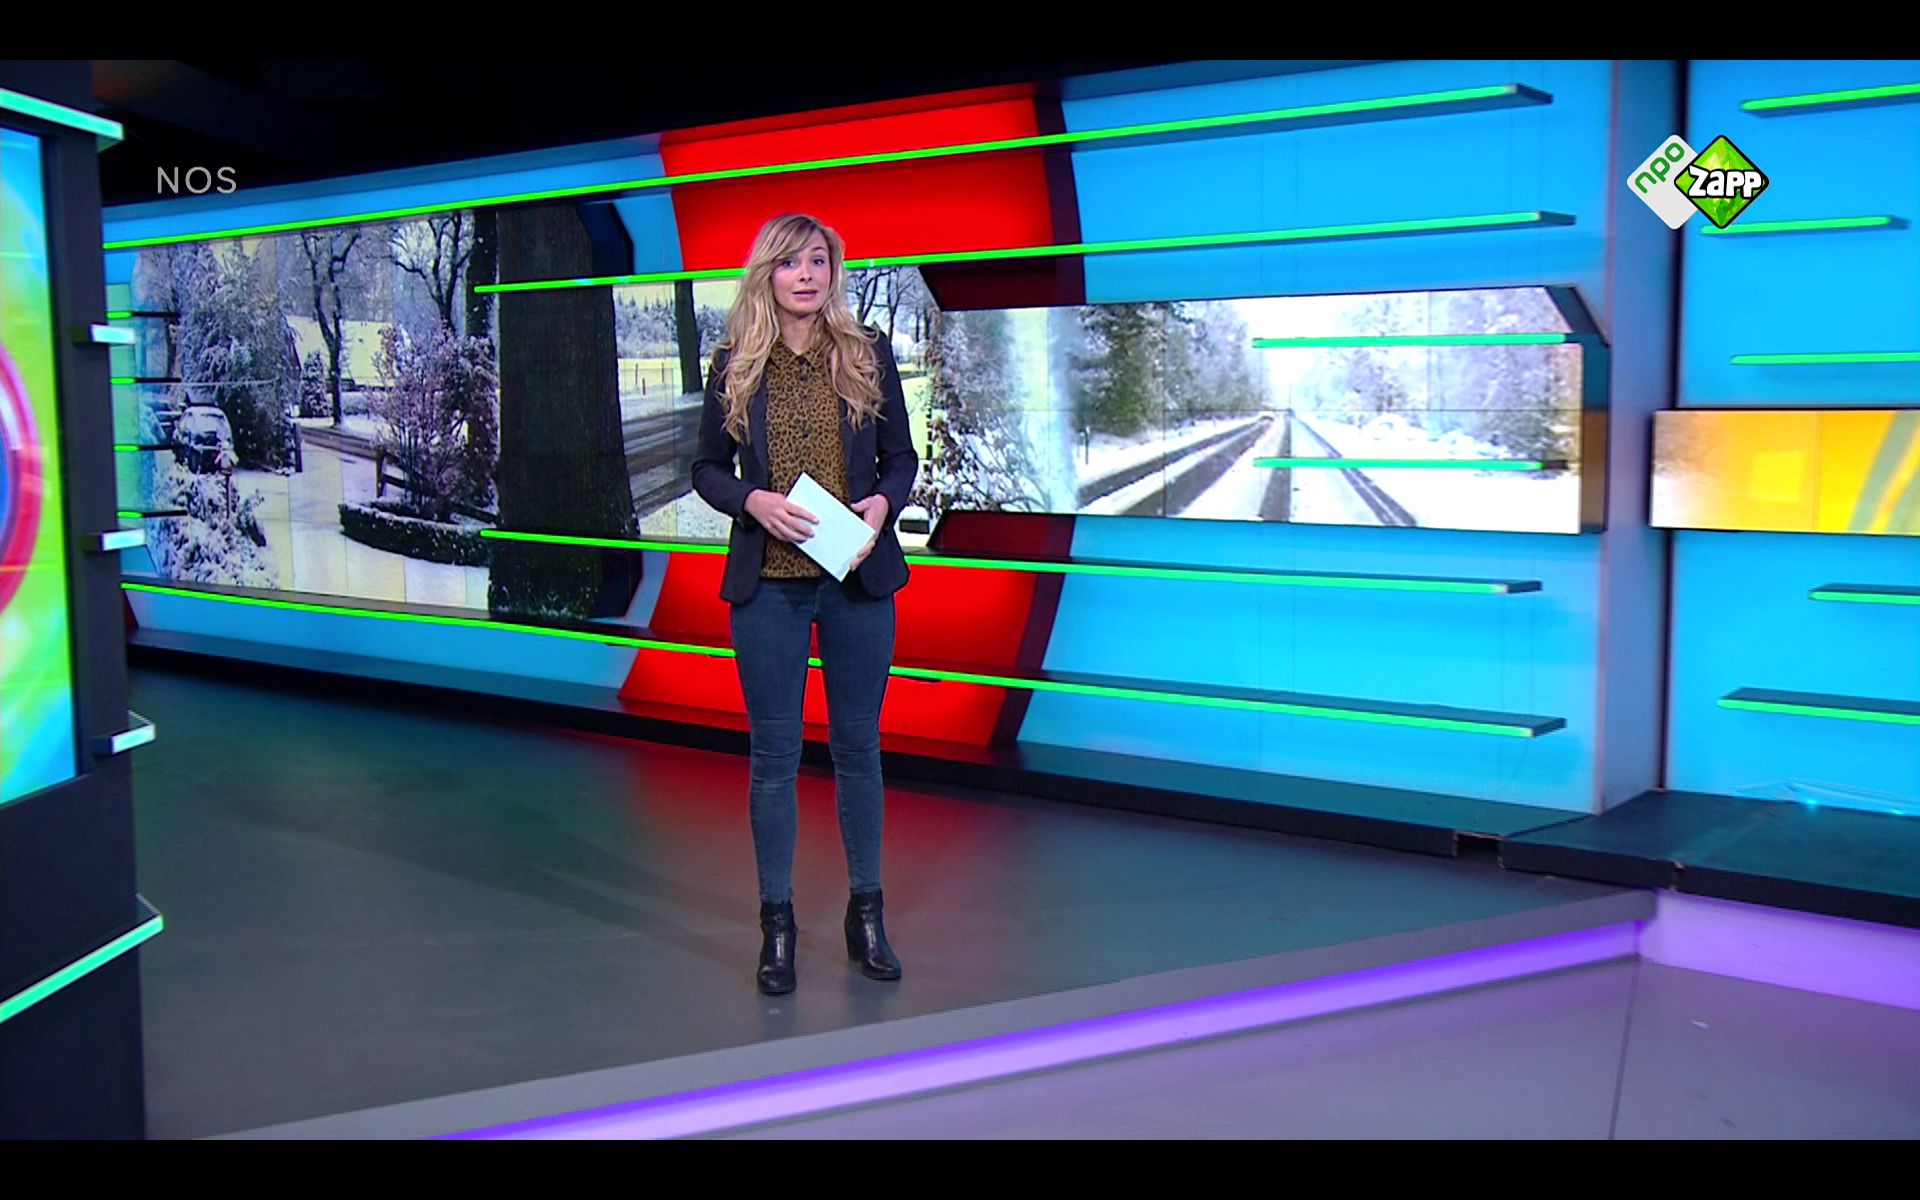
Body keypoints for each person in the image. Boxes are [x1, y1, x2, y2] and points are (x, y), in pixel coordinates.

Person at [690, 213, 918, 996]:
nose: (807, 275)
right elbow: (705, 469)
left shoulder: (866, 352)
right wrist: (750, 500)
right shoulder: (735, 362)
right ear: (768, 274)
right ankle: (778, 925)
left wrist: (883, 505)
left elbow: (900, 459)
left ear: (832, 271)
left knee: (858, 748)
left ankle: (867, 915)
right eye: (791, 263)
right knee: (774, 757)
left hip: (856, 580)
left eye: (818, 261)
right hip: (770, 588)